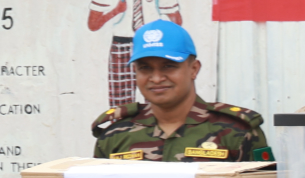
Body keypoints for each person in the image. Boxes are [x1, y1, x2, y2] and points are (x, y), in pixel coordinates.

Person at [92, 20, 273, 162]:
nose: (156, 78)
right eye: (145, 68)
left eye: (169, 66)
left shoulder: (237, 132)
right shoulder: (114, 136)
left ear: (194, 69)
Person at [88, 0, 182, 108]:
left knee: (157, 101)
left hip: (152, 45)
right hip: (121, 46)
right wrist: (115, 11)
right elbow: (92, 24)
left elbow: (177, 20)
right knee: (121, 104)